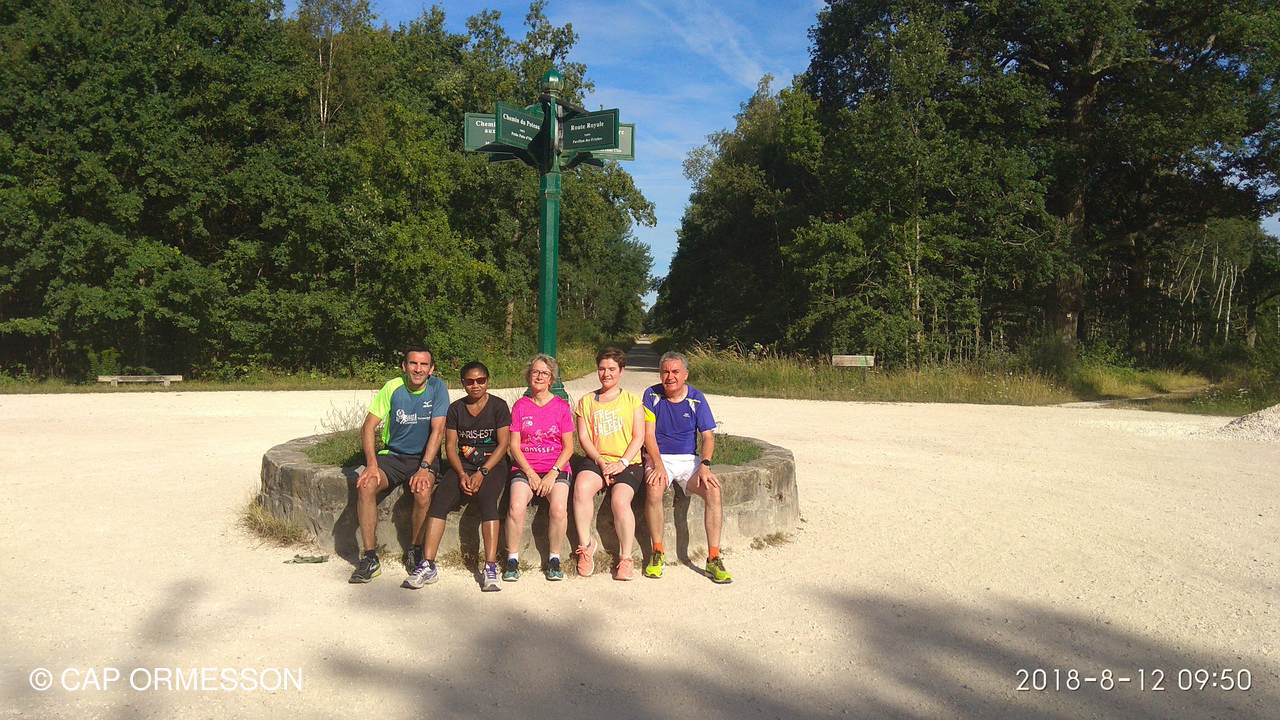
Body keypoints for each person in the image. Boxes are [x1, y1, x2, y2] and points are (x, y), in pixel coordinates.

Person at [405, 361, 511, 592]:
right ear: (463, 383)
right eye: (470, 381)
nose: (476, 385)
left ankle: (490, 566)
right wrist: (462, 473)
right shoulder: (456, 409)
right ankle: (428, 564)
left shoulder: (499, 406)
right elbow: (450, 446)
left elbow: (504, 444)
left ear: (487, 381)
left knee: (488, 501)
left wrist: (482, 472)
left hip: (492, 464)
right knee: (439, 502)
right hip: (462, 464)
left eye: (481, 380)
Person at [349, 346, 449, 584]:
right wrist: (371, 464)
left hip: (423, 457)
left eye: (424, 364)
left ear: (431, 369)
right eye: (413, 363)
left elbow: (438, 430)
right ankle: (370, 557)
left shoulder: (438, 388)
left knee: (423, 491)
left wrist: (424, 467)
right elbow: (368, 427)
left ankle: (415, 549)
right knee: (366, 484)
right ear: (404, 366)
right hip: (393, 456)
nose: (418, 369)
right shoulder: (392, 387)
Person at [641, 351, 733, 584]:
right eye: (665, 372)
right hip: (659, 456)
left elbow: (708, 437)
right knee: (654, 489)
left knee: (713, 490)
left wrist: (705, 465)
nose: (670, 377)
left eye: (675, 372)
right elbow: (648, 435)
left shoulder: (696, 398)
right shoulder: (651, 395)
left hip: (688, 459)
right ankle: (657, 552)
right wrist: (657, 464)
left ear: (685, 375)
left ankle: (713, 558)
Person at [571, 347, 646, 580]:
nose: (606, 374)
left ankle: (626, 557)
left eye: (612, 369)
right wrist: (601, 463)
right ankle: (586, 546)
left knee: (620, 501)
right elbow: (584, 438)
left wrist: (622, 463)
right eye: (602, 369)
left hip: (628, 461)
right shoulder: (586, 402)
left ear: (621, 371)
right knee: (581, 488)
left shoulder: (632, 401)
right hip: (598, 458)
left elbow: (639, 437)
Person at [504, 354, 574, 582]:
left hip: (556, 467)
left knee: (559, 509)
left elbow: (569, 447)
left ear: (551, 378)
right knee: (516, 507)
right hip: (526, 467)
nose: (539, 377)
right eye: (535, 372)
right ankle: (512, 559)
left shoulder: (561, 407)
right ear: (529, 376)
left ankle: (554, 558)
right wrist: (531, 474)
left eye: (545, 373)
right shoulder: (520, 406)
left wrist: (553, 473)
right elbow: (514, 446)